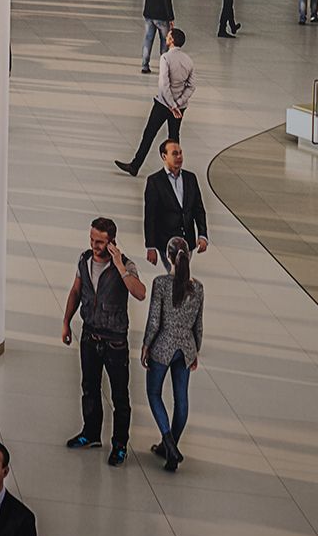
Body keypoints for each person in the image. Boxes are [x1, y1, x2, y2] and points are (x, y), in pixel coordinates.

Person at [61, 217, 148, 465]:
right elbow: (76, 291)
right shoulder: (84, 260)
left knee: (120, 396)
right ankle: (90, 433)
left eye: (99, 241)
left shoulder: (126, 265)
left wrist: (119, 266)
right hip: (90, 335)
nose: (94, 245)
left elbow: (140, 293)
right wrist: (66, 321)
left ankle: (120, 444)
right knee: (89, 387)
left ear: (112, 242)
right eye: (92, 239)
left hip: (115, 341)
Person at [142, 238, 204, 471]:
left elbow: (154, 321)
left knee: (154, 393)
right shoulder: (198, 288)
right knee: (181, 399)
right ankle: (171, 448)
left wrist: (146, 345)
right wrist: (195, 351)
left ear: (168, 257)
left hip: (163, 346)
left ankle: (168, 443)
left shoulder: (161, 283)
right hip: (186, 348)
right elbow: (198, 325)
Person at [118, 28, 194, 175]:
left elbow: (164, 84)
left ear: (172, 40)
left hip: (163, 104)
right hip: (180, 107)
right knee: (174, 137)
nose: (166, 37)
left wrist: (171, 105)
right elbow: (191, 85)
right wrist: (178, 104)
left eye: (168, 36)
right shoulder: (188, 60)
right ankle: (175, 168)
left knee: (149, 134)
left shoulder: (166, 58)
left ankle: (135, 165)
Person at [142, 138, 210, 265]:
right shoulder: (155, 182)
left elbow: (198, 209)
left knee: (182, 272)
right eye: (174, 154)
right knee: (176, 273)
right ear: (164, 156)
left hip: (187, 241)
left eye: (180, 153)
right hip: (166, 243)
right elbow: (150, 216)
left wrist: (202, 235)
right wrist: (150, 246)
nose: (179, 157)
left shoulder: (190, 178)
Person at [138, 0, 174, 74]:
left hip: (149, 12)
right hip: (162, 15)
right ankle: (164, 65)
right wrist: (171, 18)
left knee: (148, 39)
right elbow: (167, 1)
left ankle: (145, 65)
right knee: (164, 41)